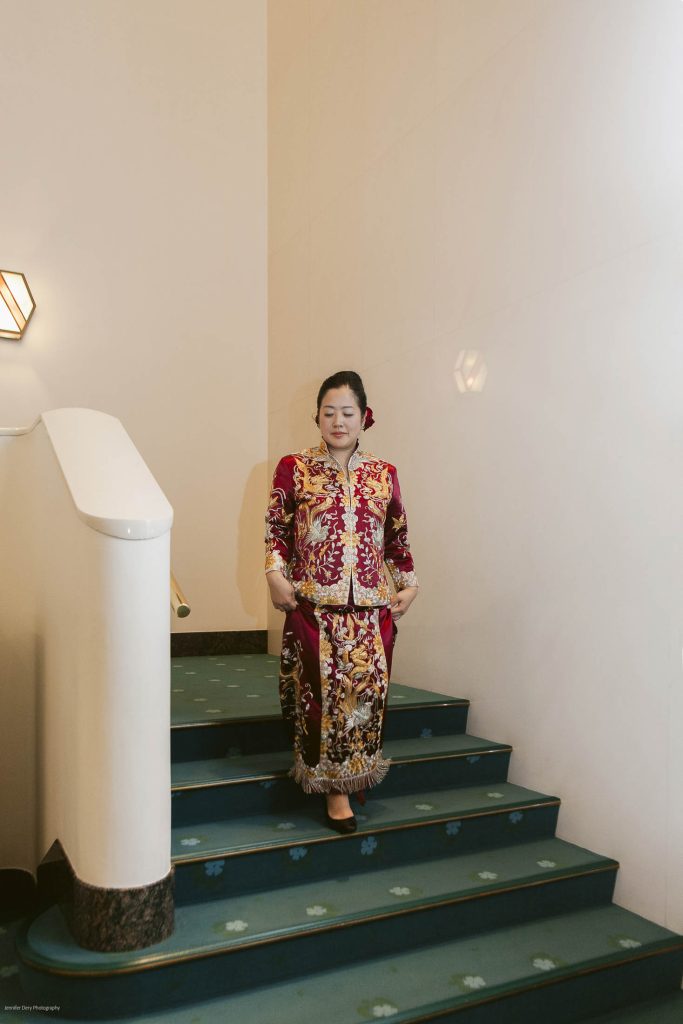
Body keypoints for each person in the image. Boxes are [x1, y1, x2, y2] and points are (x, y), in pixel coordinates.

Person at [264, 370, 419, 833]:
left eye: (347, 412)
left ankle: (353, 779)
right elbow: (277, 528)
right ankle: (333, 790)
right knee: (322, 700)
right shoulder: (294, 468)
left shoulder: (384, 474)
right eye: (328, 412)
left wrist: (409, 584)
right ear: (317, 416)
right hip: (314, 607)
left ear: (363, 417)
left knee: (366, 699)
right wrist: (274, 573)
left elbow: (397, 539)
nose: (337, 421)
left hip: (372, 611)